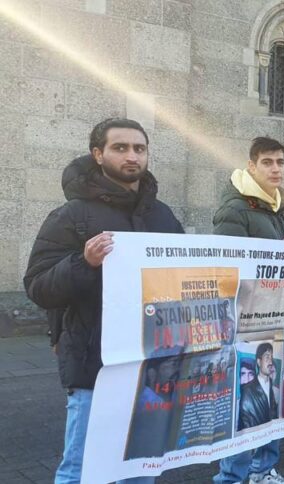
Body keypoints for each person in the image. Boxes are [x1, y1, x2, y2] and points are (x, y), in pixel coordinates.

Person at [23, 118, 184, 484]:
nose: (132, 156)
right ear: (98, 154)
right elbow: (38, 286)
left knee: (141, 469)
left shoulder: (162, 215)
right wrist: (85, 262)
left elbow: (191, 270)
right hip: (93, 364)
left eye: (139, 149)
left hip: (151, 365)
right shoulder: (71, 215)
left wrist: (277, 252)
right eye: (120, 147)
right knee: (82, 471)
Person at [213, 137, 284, 483]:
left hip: (277, 317)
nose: (276, 169)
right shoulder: (235, 209)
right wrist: (276, 249)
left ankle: (264, 470)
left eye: (280, 162)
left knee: (273, 401)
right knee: (245, 404)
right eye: (267, 162)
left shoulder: (281, 208)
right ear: (251, 166)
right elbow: (225, 264)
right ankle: (232, 477)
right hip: (245, 322)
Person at [239, 343, 279, 431]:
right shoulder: (247, 391)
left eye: (271, 358)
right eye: (267, 357)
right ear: (258, 362)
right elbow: (246, 424)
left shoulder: (273, 388)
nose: (271, 362)